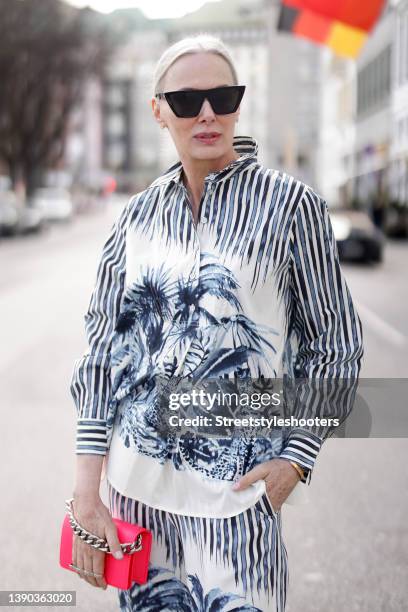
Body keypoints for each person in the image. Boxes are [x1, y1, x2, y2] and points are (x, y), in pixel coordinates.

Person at [69, 34, 364, 612]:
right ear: (158, 110)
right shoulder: (135, 217)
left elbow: (336, 345)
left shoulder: (291, 207)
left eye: (223, 96)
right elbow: (103, 353)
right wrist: (87, 490)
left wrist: (295, 459)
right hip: (137, 502)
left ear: (237, 104)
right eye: (186, 101)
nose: (207, 113)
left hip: (237, 503)